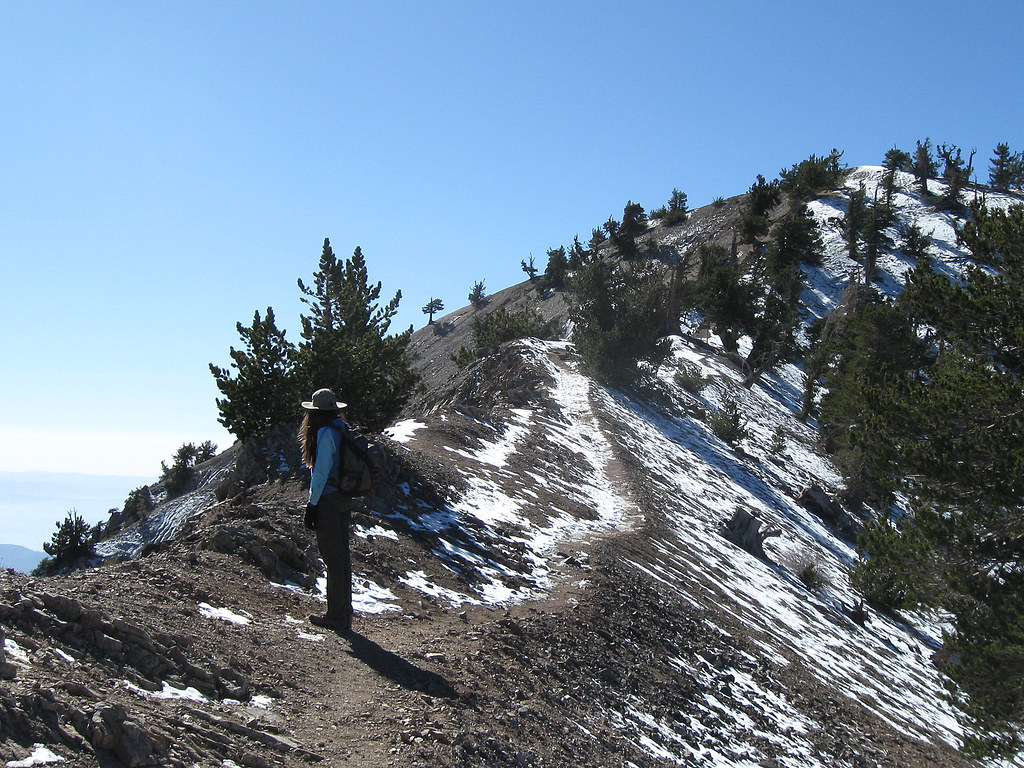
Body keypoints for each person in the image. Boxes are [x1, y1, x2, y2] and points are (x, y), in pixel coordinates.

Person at [300, 388, 357, 633]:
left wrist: (312, 505)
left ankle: (335, 615)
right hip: (344, 497)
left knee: (333, 559)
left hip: (329, 499)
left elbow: (321, 472)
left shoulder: (325, 433)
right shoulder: (342, 429)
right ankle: (344, 612)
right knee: (343, 558)